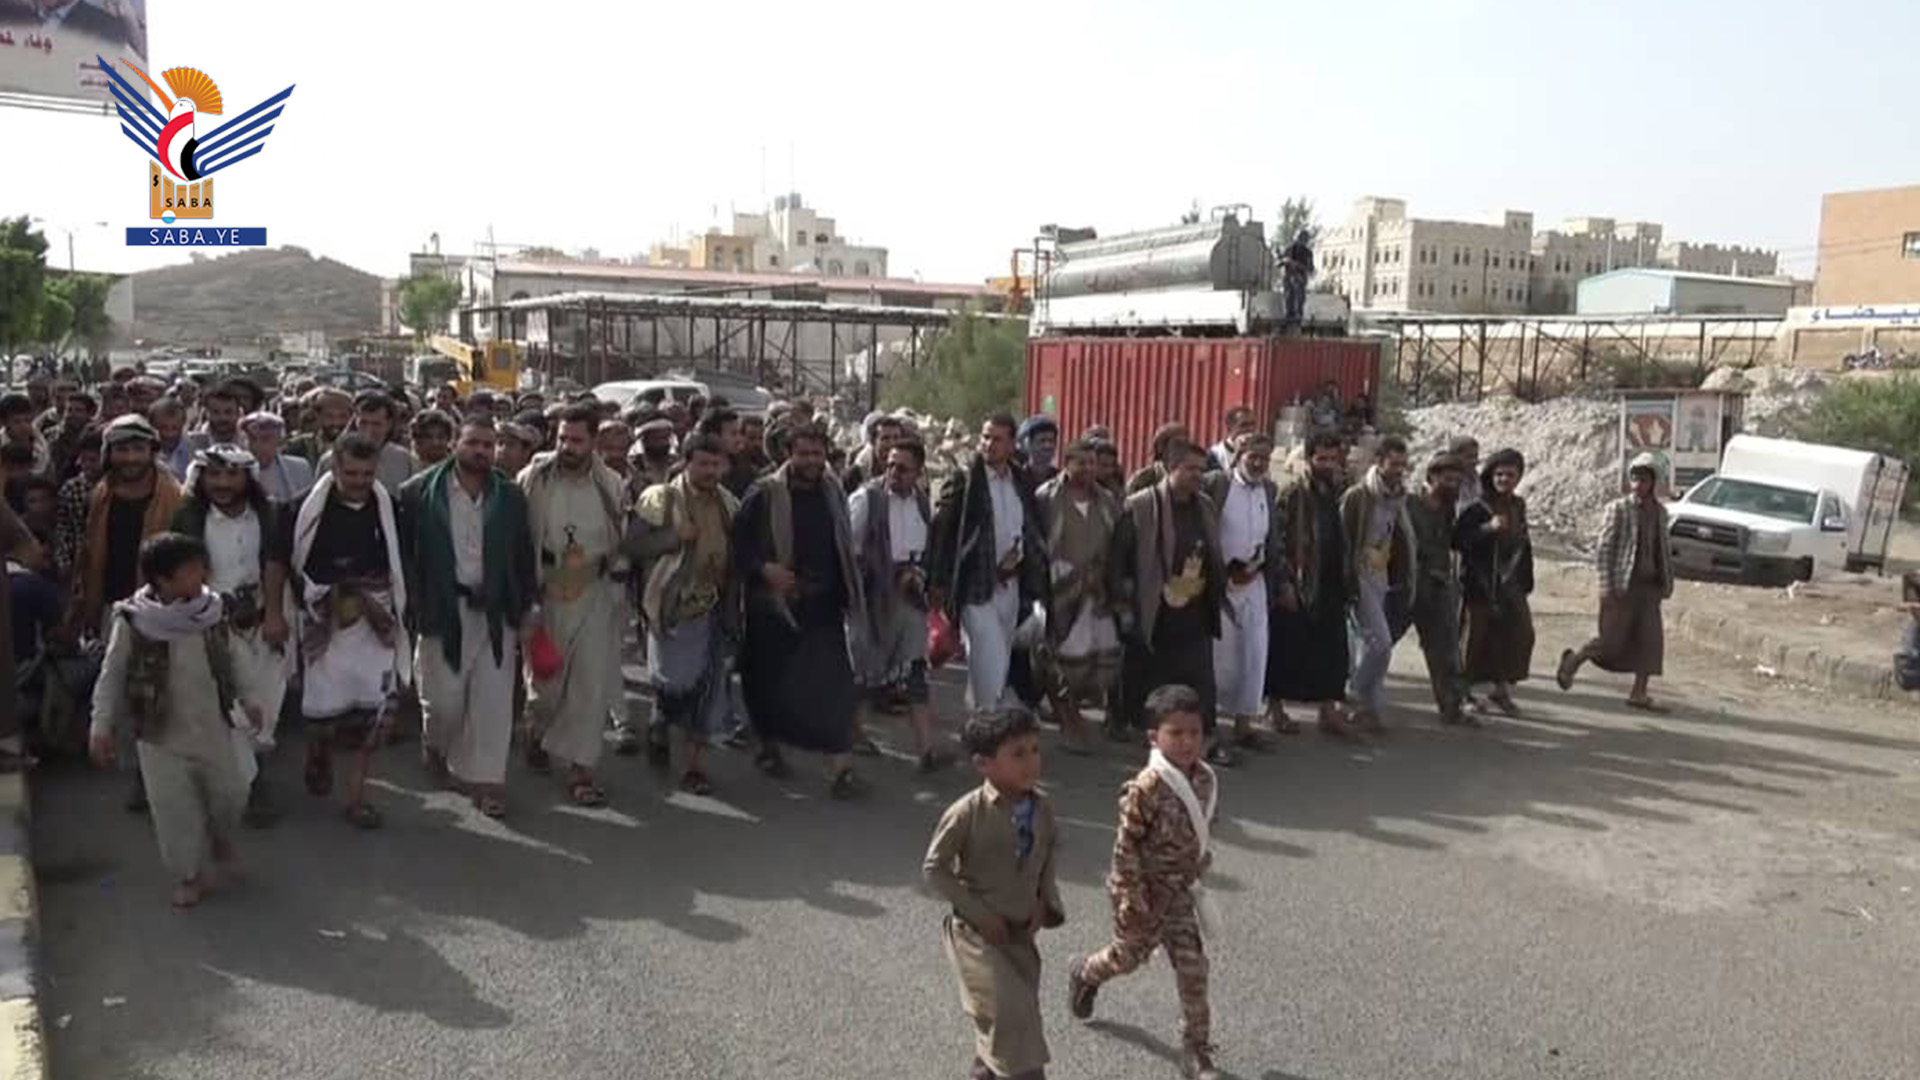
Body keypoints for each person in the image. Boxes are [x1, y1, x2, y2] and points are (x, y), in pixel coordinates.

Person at [88, 533, 253, 908]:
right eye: (190, 569)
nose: (201, 574)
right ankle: (188, 876)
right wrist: (101, 726)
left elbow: (234, 658)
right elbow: (112, 674)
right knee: (173, 811)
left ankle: (219, 835)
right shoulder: (133, 621)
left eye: (200, 566)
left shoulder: (212, 611)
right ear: (163, 580)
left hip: (212, 727)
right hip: (159, 734)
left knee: (231, 794)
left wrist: (251, 699)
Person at [1068, 684, 1222, 1080]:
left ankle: (1196, 1049)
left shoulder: (1204, 779)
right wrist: (1131, 897)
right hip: (1142, 894)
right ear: (1154, 737)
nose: (1187, 742)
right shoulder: (1146, 787)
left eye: (1194, 732)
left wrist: (1199, 862)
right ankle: (1086, 973)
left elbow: (1201, 826)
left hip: (1179, 894)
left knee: (1193, 968)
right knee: (1128, 957)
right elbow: (1125, 847)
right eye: (1176, 733)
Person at [398, 418, 537, 819]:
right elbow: (405, 556)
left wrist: (529, 605)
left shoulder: (509, 496)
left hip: (495, 610)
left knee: (492, 703)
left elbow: (522, 554)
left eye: (488, 445)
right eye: (473, 442)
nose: (480, 451)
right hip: (442, 611)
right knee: (443, 703)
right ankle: (436, 744)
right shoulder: (418, 492)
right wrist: (411, 605)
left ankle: (487, 783)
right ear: (455, 444)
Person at [923, 707, 1063, 1080]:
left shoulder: (1042, 807)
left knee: (1007, 1021)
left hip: (1019, 935)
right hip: (978, 936)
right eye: (1018, 754)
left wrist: (1044, 901)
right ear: (983, 764)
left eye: (1034, 750)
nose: (1031, 761)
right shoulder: (966, 813)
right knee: (1012, 1018)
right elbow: (935, 868)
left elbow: (1049, 852)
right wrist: (979, 914)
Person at [733, 423, 868, 797]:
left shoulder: (832, 490)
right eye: (803, 453)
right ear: (787, 454)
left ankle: (841, 769)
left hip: (824, 606)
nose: (811, 461)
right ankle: (770, 747)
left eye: (817, 454)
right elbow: (739, 543)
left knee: (834, 686)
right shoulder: (765, 492)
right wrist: (765, 569)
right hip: (775, 607)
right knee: (769, 683)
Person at [287, 432, 410, 829]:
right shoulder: (303, 509)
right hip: (324, 618)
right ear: (335, 468)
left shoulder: (389, 509)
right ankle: (319, 753)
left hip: (375, 620)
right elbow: (282, 563)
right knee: (322, 712)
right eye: (351, 473)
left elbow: (401, 565)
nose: (359, 481)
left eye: (367, 474)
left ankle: (356, 799)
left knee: (372, 712)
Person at [170, 444, 291, 827]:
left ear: (247, 477)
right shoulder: (189, 518)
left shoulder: (269, 514)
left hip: (264, 619)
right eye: (214, 475)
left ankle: (253, 773)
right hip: (213, 623)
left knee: (266, 704)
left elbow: (277, 563)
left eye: (232, 475)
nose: (222, 483)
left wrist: (274, 614)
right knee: (230, 705)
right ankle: (249, 786)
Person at [519, 404, 629, 807]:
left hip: (593, 592)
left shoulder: (611, 484)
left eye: (577, 440)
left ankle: (581, 769)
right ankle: (536, 729)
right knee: (545, 687)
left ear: (594, 441)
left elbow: (623, 537)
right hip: (546, 592)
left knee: (589, 685)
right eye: (562, 438)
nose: (567, 446)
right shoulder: (535, 478)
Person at [627, 433, 737, 795]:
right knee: (673, 683)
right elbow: (633, 545)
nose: (710, 471)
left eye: (715, 464)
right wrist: (674, 537)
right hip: (670, 608)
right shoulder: (659, 498)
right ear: (686, 463)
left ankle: (693, 767)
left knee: (709, 687)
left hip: (713, 606)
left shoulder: (727, 502)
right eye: (702, 463)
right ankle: (662, 716)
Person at [1110, 442, 1231, 766]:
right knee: (1152, 683)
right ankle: (1154, 741)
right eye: (1190, 469)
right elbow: (1119, 562)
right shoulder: (1140, 506)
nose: (1197, 476)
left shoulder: (1204, 506)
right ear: (1169, 468)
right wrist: (1124, 607)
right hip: (1154, 612)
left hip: (1195, 610)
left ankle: (1205, 740)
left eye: (1201, 470)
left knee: (1199, 680)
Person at [929, 415, 1047, 716]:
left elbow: (1031, 528)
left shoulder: (1020, 480)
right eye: (985, 437)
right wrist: (938, 580)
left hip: (1011, 587)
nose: (988, 444)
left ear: (1012, 444)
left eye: (997, 439)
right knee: (989, 656)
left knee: (995, 660)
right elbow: (942, 530)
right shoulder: (966, 479)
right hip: (975, 586)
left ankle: (979, 721)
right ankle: (991, 723)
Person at [847, 438, 948, 772]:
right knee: (865, 673)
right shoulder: (867, 499)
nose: (894, 472)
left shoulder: (921, 502)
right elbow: (848, 552)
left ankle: (926, 750)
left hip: (910, 598)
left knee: (915, 671)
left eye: (903, 468)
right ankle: (850, 732)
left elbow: (925, 551)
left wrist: (918, 575)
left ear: (918, 472)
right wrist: (883, 577)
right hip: (873, 601)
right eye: (890, 464)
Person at [1557, 453, 1674, 711]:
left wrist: (1666, 583)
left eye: (1644, 479)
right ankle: (1575, 659)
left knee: (1650, 640)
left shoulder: (1660, 512)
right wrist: (1606, 586)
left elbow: (1664, 550)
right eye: (1635, 478)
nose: (1638, 484)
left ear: (1653, 482)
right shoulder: (1618, 509)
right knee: (1611, 640)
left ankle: (1639, 692)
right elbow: (1605, 549)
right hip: (1623, 585)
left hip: (1650, 586)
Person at [1033, 439, 1122, 751]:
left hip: (1097, 593)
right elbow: (1036, 544)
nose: (1087, 469)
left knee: (1095, 660)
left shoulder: (1107, 501)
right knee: (1057, 659)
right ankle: (1068, 722)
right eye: (1081, 463)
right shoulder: (1046, 497)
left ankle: (1075, 713)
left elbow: (1116, 543)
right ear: (1067, 463)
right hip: (1059, 592)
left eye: (1092, 463)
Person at [1268, 431, 1356, 739]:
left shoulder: (1335, 490)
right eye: (1321, 458)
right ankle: (1275, 709)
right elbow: (1277, 539)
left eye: (1333, 459)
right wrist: (1284, 583)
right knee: (1286, 648)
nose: (1328, 464)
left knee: (1332, 650)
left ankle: (1328, 712)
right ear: (1309, 459)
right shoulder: (1293, 492)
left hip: (1330, 580)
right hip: (1301, 582)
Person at [1204, 431, 1284, 750]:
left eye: (1265, 459)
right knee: (1219, 656)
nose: (1259, 463)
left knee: (1254, 652)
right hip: (1220, 584)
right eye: (1253, 457)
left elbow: (1272, 537)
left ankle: (1244, 725)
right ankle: (1210, 725)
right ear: (1239, 456)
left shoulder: (1268, 489)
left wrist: (1268, 573)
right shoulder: (1217, 485)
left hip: (1255, 582)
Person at [1340, 435, 1416, 736]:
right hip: (1359, 574)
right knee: (1381, 643)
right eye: (1393, 464)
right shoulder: (1358, 496)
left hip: (1380, 575)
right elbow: (1343, 539)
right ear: (1379, 462)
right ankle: (1357, 696)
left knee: (1367, 643)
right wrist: (1346, 581)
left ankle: (1367, 707)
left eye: (1402, 465)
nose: (1399, 470)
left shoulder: (1398, 498)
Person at [1457, 449, 1535, 717]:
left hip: (1511, 583)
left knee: (1519, 635)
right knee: (1474, 640)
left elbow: (1523, 543)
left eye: (1510, 475)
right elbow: (1459, 539)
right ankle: (1463, 693)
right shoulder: (1478, 507)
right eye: (1499, 474)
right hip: (1481, 583)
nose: (1504, 479)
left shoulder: (1518, 505)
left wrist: (1525, 579)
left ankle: (1500, 691)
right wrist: (1487, 529)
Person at [1406, 453, 1474, 725]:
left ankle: (1451, 707)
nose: (1453, 485)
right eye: (1447, 479)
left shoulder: (1448, 507)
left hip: (1437, 586)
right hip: (1407, 586)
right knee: (1378, 644)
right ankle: (1358, 701)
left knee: (1445, 648)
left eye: (1457, 481)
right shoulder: (1409, 504)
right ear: (1432, 477)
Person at [318, 393, 415, 493]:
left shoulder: (403, 459)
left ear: (389, 424)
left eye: (376, 424)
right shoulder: (331, 460)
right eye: (363, 423)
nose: (369, 430)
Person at [50, 425, 103, 581]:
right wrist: (64, 560)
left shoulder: (115, 486)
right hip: (80, 558)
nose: (87, 465)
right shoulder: (71, 488)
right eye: (83, 460)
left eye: (93, 460)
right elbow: (63, 527)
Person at [285, 389, 353, 463]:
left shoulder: (360, 448)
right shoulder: (298, 447)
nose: (336, 422)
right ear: (317, 416)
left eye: (343, 416)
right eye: (329, 416)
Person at [45, 390, 97, 484]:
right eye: (69, 410)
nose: (72, 415)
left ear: (90, 414)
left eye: (78, 411)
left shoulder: (95, 435)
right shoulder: (52, 435)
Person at [1126, 423, 1193, 495]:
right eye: (1178, 444)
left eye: (1186, 444)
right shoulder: (1142, 480)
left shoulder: (1192, 479)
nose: (1183, 449)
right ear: (1161, 448)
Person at [0, 392, 51, 478]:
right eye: (17, 422)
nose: (24, 427)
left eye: (28, 421)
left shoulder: (41, 445)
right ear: (4, 423)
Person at [150, 398, 194, 481]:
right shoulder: (146, 449)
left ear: (183, 424)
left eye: (175, 428)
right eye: (163, 428)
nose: (169, 434)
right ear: (153, 426)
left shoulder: (194, 449)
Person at [190, 384, 244, 451]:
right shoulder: (193, 443)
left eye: (228, 412)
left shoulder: (250, 440)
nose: (222, 418)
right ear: (206, 413)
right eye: (215, 412)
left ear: (238, 413)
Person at [1280, 228, 1315, 331]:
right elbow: (1279, 263)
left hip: (1300, 278)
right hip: (1289, 277)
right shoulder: (1289, 249)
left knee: (1299, 296)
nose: (1302, 241)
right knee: (1289, 296)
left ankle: (1298, 315)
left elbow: (1310, 268)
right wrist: (1286, 261)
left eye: (1304, 239)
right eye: (1301, 238)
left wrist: (1299, 266)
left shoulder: (1308, 253)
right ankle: (1289, 316)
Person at [631, 416, 677, 490]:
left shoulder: (677, 464)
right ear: (644, 440)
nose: (663, 443)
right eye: (656, 439)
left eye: (665, 438)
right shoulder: (634, 466)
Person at [1206, 407, 1255, 474]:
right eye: (1244, 425)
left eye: (1253, 424)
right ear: (1229, 427)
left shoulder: (1261, 452)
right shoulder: (1215, 454)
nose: (1250, 429)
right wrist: (1238, 455)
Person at [1016, 416, 1060, 488]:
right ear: (1027, 444)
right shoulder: (1016, 479)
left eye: (1051, 441)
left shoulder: (1061, 480)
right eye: (1042, 441)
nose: (1048, 446)